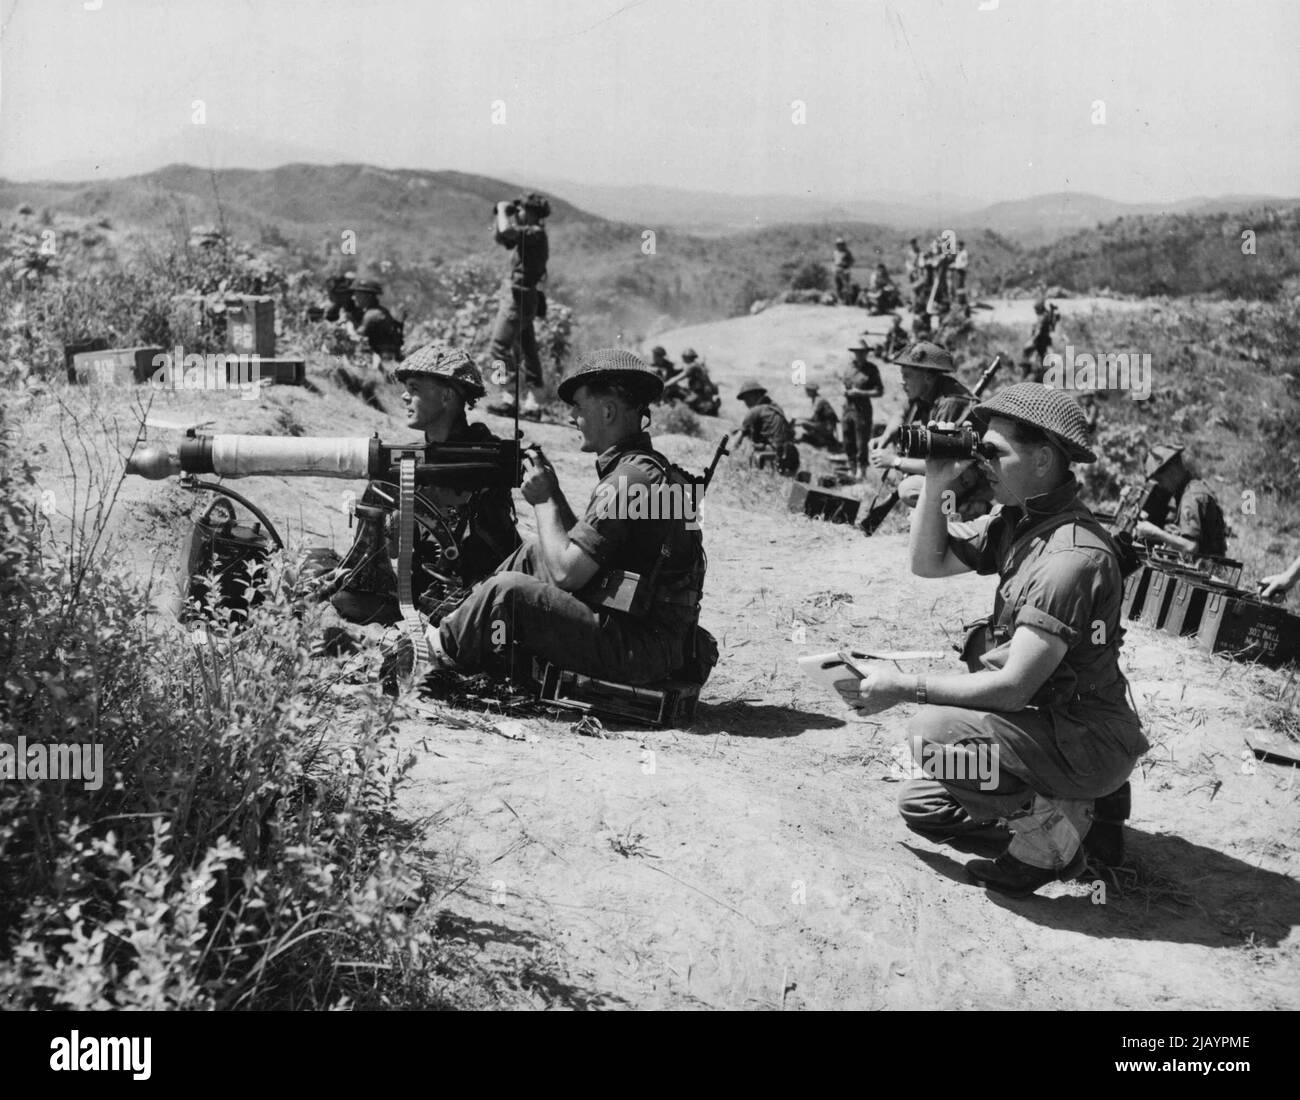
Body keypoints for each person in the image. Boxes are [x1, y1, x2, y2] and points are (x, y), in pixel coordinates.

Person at [839, 383, 1148, 896]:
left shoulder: (1070, 557)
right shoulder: (1023, 523)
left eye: (994, 451)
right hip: (1044, 725)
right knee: (923, 806)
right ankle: (1084, 819)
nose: (982, 461)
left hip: (1084, 738)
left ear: (1043, 459)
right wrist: (937, 477)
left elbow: (1011, 688)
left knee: (932, 733)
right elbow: (927, 562)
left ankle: (1050, 841)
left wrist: (903, 686)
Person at [424, 349, 708, 687]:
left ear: (607, 411)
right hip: (654, 638)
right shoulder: (652, 469)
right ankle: (460, 621)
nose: (572, 416)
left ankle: (434, 652)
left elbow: (567, 574)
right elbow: (594, 552)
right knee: (534, 553)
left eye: (578, 406)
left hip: (639, 650)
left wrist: (543, 501)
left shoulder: (628, 481)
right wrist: (555, 492)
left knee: (508, 592)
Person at [304, 344, 521, 633]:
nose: (404, 396)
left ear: (447, 396)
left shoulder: (487, 462)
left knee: (344, 599)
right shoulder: (403, 462)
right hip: (416, 592)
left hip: (467, 600)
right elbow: (373, 562)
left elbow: (495, 553)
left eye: (414, 388)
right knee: (312, 564)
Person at [869, 342, 984, 513]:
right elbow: (901, 413)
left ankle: (965, 511)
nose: (902, 382)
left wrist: (895, 461)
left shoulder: (951, 403)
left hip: (966, 473)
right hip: (944, 466)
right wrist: (885, 438)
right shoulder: (924, 391)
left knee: (909, 489)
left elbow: (942, 464)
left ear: (928, 377)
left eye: (907, 376)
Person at [488, 192, 550, 404]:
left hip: (518, 298)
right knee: (528, 349)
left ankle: (509, 395)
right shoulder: (530, 234)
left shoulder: (535, 233)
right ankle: (534, 400)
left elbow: (507, 230)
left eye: (521, 209)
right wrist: (501, 215)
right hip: (523, 297)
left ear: (531, 212)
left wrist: (503, 210)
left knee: (498, 347)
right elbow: (501, 237)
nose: (518, 213)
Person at [1133, 444, 1228, 558]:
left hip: (1205, 566)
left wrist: (1155, 532)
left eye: (1160, 479)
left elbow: (1190, 546)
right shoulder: (1189, 488)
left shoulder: (1191, 497)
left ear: (1172, 471)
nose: (1160, 485)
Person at [841, 338, 885, 479]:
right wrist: (843, 390)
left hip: (862, 409)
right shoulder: (849, 367)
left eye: (862, 352)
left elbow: (879, 391)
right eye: (857, 352)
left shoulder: (871, 369)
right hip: (847, 408)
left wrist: (860, 393)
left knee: (861, 440)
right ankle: (851, 466)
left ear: (866, 353)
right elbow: (843, 383)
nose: (859, 355)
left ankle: (862, 469)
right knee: (848, 438)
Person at [734, 379, 799, 475]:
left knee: (747, 446)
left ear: (755, 395)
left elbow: (738, 440)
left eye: (747, 399)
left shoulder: (754, 411)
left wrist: (732, 453)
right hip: (791, 455)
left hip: (773, 454)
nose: (746, 403)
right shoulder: (776, 408)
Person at [350, 280, 404, 361]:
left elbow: (355, 337)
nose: (353, 297)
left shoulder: (372, 314)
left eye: (357, 294)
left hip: (385, 360)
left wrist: (347, 324)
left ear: (367, 296)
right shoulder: (379, 310)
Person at [792, 383, 840, 450]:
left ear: (812, 391)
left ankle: (822, 439)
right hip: (826, 424)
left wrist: (800, 422)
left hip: (827, 426)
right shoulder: (817, 399)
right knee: (803, 422)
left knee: (805, 424)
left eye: (807, 390)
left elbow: (813, 418)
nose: (806, 392)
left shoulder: (818, 400)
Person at [1021, 300, 1058, 381]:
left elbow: (1039, 330)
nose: (1035, 311)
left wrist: (1033, 339)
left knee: (1026, 350)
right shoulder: (1046, 316)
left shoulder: (1043, 317)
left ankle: (1027, 370)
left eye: (1036, 309)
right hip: (1043, 341)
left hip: (1040, 341)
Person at [678, 349, 721, 416]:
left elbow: (678, 378)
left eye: (683, 357)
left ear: (687, 357)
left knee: (683, 403)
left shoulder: (692, 366)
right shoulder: (698, 365)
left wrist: (665, 384)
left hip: (701, 399)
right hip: (707, 398)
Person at [833, 237, 856, 305]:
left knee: (845, 285)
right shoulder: (835, 252)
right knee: (838, 285)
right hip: (837, 270)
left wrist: (846, 265)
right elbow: (834, 261)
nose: (839, 245)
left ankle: (847, 300)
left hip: (845, 270)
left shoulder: (847, 252)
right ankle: (839, 299)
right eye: (838, 244)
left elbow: (852, 261)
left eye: (841, 244)